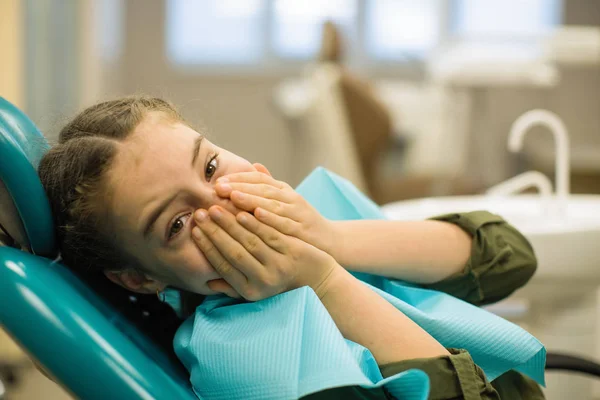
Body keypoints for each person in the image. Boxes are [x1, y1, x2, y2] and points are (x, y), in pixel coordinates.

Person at [38, 96, 544, 399]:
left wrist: (333, 239)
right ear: (140, 279)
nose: (221, 206)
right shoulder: (246, 363)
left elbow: (508, 256)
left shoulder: (317, 207)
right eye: (178, 223)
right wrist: (321, 279)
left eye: (211, 166)